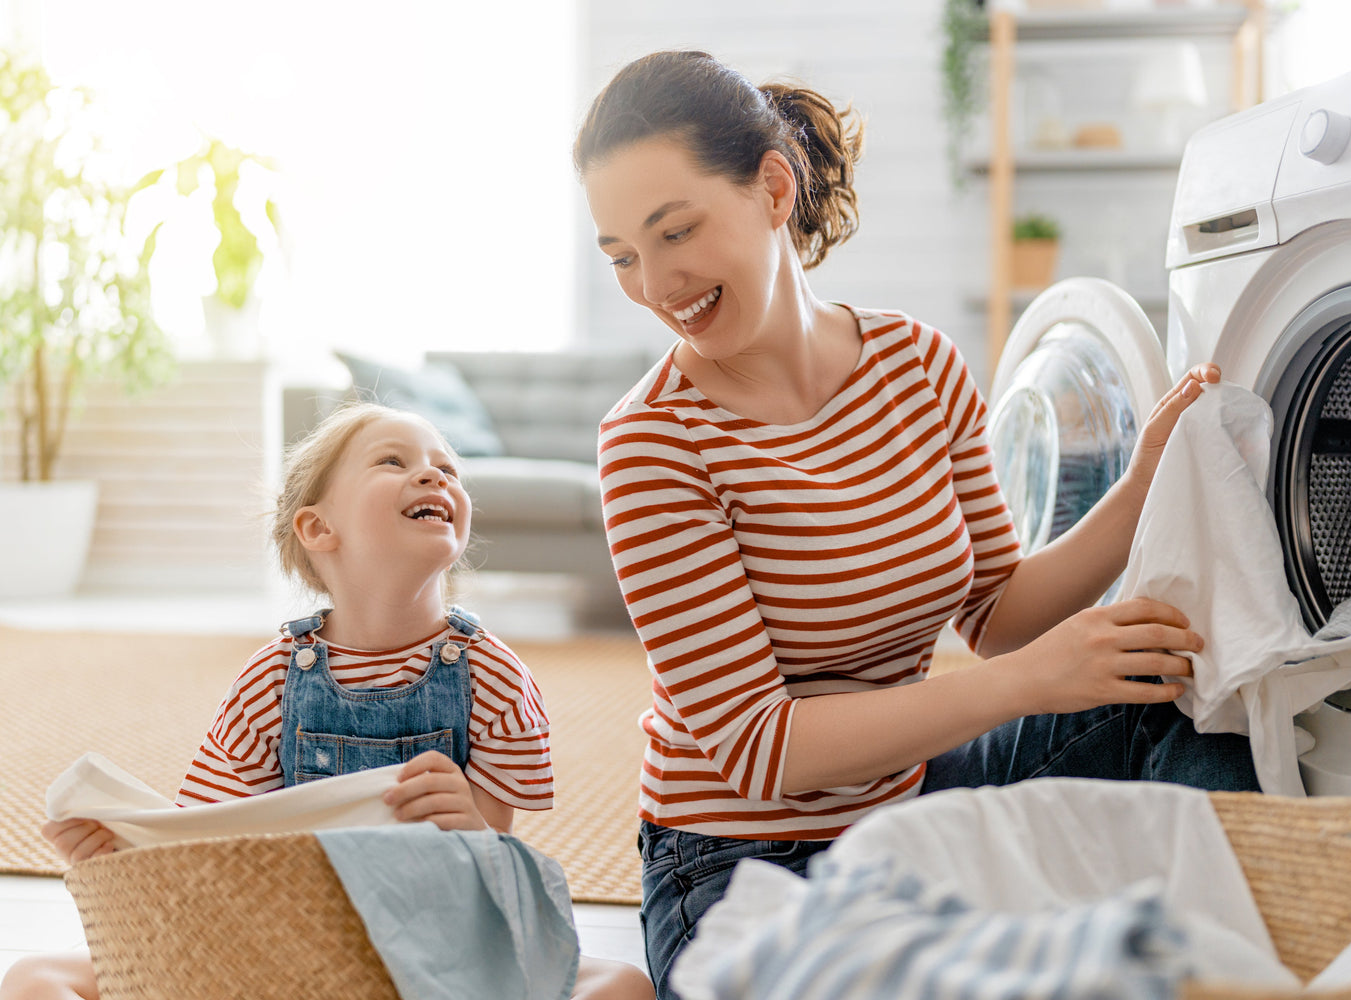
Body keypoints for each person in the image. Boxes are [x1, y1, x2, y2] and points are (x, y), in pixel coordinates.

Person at [574, 49, 1260, 999]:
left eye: (674, 232)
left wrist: (1145, 478)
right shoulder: (651, 445)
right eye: (621, 258)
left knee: (1182, 689)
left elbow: (996, 612)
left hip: (911, 811)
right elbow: (763, 749)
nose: (654, 284)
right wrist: (1030, 684)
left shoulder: (917, 364)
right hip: (738, 865)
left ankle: (1223, 968)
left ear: (774, 187)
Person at [0, 403, 652, 1000]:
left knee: (622, 985)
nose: (434, 476)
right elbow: (199, 846)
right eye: (395, 461)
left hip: (436, 953)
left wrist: (472, 824)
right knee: (34, 977)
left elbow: (493, 877)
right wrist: (115, 856)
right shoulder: (272, 679)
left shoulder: (495, 678)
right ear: (318, 527)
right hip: (282, 950)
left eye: (448, 468)